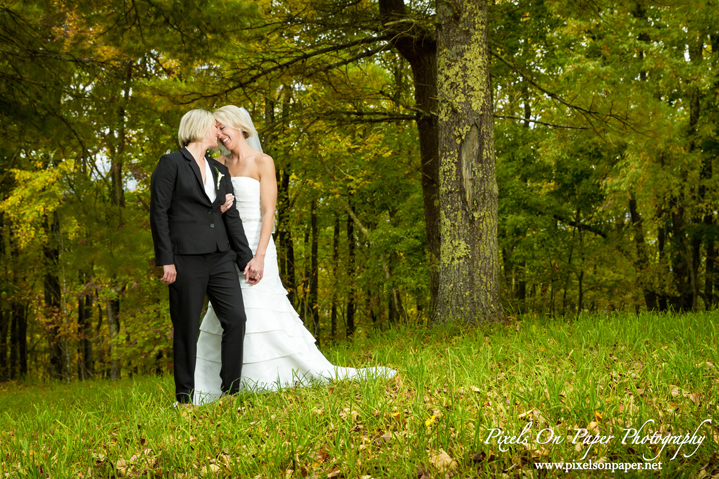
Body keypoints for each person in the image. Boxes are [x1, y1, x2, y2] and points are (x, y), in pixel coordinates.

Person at [193, 106, 395, 403]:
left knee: (260, 308)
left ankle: (267, 376)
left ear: (240, 127)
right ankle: (215, 384)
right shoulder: (216, 164)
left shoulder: (263, 162)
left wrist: (259, 256)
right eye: (216, 129)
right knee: (227, 314)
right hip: (226, 250)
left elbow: (268, 211)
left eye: (223, 127)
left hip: (257, 244)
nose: (220, 135)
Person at [150, 109, 259, 405]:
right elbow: (159, 213)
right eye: (215, 127)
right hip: (186, 259)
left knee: (236, 319)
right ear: (199, 128)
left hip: (221, 256)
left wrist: (245, 258)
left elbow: (230, 215)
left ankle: (230, 392)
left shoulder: (218, 168)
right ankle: (184, 398)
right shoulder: (170, 163)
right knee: (185, 328)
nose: (219, 133)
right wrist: (166, 259)